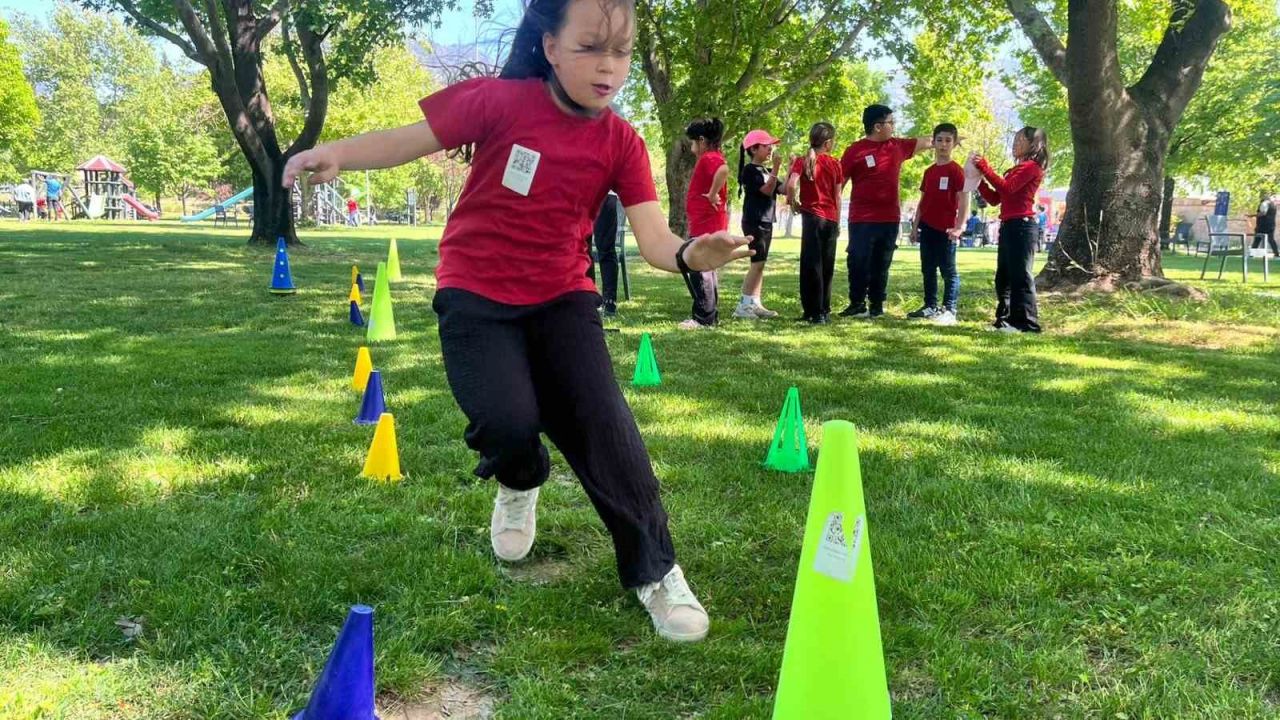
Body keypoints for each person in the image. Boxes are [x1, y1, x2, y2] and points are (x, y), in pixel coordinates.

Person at [283, 0, 752, 642]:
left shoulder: (621, 141)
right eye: (590, 48)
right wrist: (335, 152)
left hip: (562, 298)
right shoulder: (498, 101)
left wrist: (695, 254)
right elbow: (407, 139)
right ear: (552, 47)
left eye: (620, 52)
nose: (608, 67)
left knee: (605, 429)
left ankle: (657, 573)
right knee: (506, 423)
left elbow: (653, 241)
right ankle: (520, 477)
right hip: (475, 293)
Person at [838, 105, 934, 318]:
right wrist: (834, 214)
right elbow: (840, 184)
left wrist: (952, 136)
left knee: (882, 263)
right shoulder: (854, 150)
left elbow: (928, 141)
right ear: (877, 126)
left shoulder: (897, 146)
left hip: (889, 218)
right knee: (858, 260)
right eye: (891, 123)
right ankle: (856, 303)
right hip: (861, 218)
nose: (894, 126)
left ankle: (876, 305)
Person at [972, 126, 1049, 333]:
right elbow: (997, 198)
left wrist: (985, 168)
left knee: (1021, 276)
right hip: (1008, 225)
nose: (1015, 144)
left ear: (1033, 144)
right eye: (1014, 140)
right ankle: (1004, 320)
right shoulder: (1015, 170)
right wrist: (978, 182)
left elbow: (1007, 188)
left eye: (1019, 140)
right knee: (1003, 277)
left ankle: (1026, 323)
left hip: (1022, 226)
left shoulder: (1031, 168)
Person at [908, 123, 967, 325]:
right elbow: (923, 201)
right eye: (939, 140)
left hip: (947, 229)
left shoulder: (956, 171)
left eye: (948, 140)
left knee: (948, 271)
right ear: (933, 143)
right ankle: (930, 306)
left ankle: (950, 309)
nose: (943, 145)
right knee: (928, 269)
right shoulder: (929, 172)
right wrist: (915, 227)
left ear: (954, 144)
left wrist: (959, 226)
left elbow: (964, 199)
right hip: (928, 227)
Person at [785, 122, 843, 324]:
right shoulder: (835, 163)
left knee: (811, 265)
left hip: (812, 217)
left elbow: (791, 184)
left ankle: (812, 310)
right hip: (830, 218)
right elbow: (838, 195)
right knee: (827, 265)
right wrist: (837, 219)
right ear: (828, 143)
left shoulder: (802, 161)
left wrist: (793, 202)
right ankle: (824, 310)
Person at [681, 117, 728, 329]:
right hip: (705, 221)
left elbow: (723, 171)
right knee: (706, 267)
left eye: (692, 143)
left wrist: (712, 194)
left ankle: (703, 318)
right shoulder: (713, 157)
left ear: (701, 140)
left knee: (699, 266)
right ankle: (709, 314)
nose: (692, 149)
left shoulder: (709, 158)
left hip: (706, 222)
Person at [734, 128, 784, 319]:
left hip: (766, 220)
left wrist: (795, 168)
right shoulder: (750, 171)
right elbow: (766, 190)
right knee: (757, 263)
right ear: (754, 149)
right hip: (754, 221)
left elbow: (784, 189)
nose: (770, 149)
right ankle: (744, 305)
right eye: (766, 146)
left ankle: (755, 302)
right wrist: (777, 169)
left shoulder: (767, 170)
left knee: (761, 264)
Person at [589, 191, 621, 316]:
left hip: (605, 194)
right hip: (579, 190)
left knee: (606, 249)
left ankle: (609, 301)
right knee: (581, 249)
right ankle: (588, 299)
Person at [1253, 190, 1278, 257]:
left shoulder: (1264, 203)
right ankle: (1276, 253)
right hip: (1271, 224)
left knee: (1257, 239)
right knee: (1271, 239)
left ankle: (1252, 253)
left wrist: (1252, 215)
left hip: (1262, 225)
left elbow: (1263, 213)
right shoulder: (1273, 205)